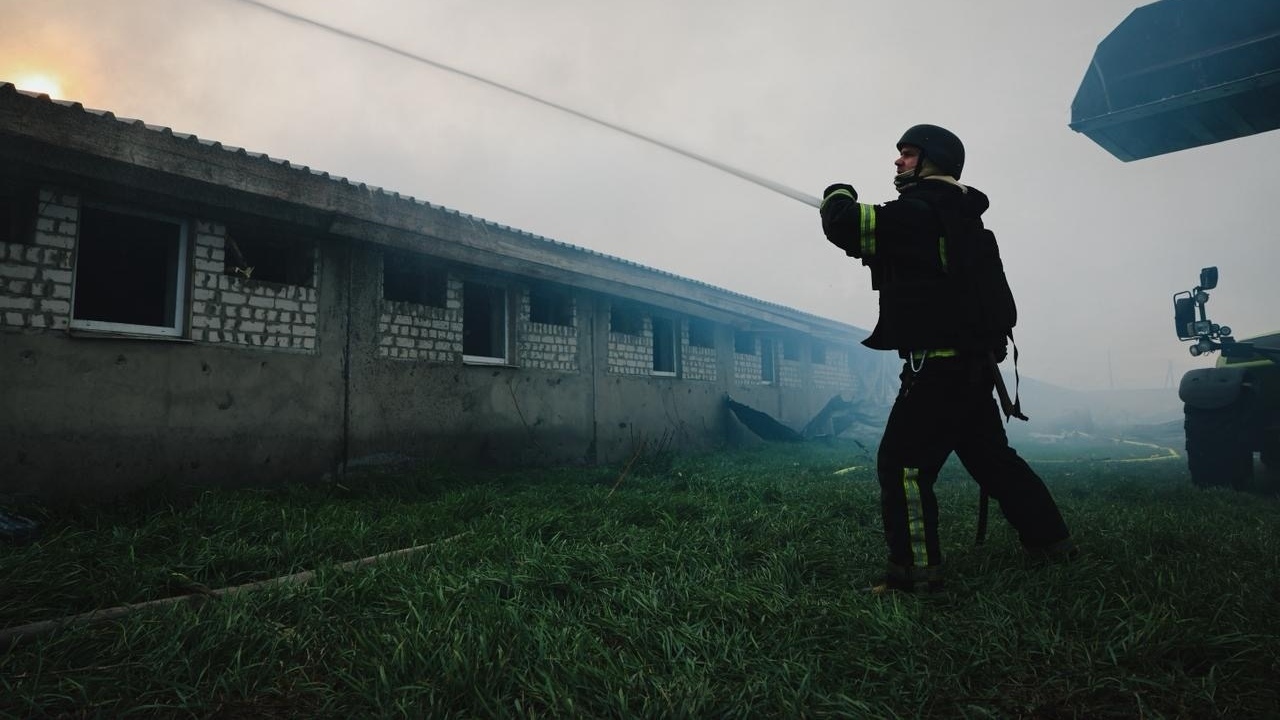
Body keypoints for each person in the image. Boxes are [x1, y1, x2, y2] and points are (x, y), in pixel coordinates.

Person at [818, 124, 1075, 594]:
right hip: (971, 369)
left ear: (934, 160)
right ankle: (1051, 541)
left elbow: (846, 224)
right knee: (994, 460)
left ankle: (914, 575)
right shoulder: (958, 215)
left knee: (902, 466)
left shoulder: (920, 212)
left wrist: (837, 191)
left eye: (908, 154)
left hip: (938, 371)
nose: (897, 162)